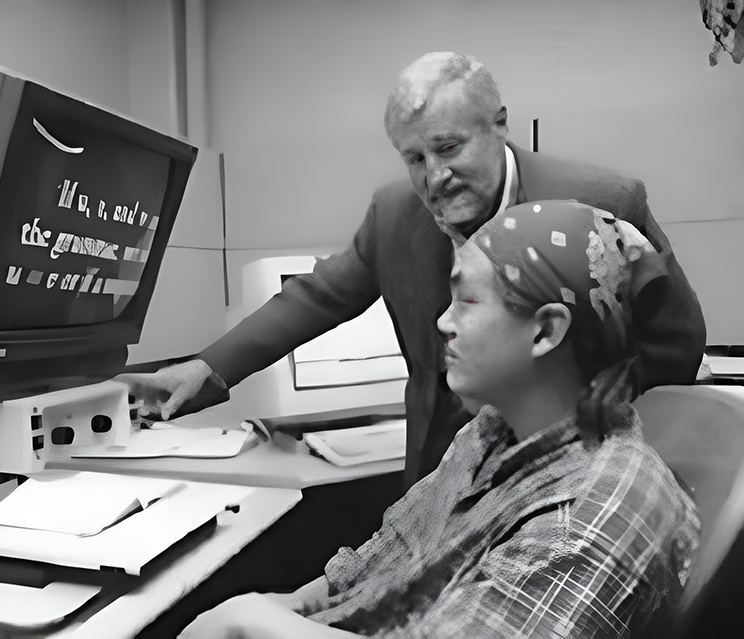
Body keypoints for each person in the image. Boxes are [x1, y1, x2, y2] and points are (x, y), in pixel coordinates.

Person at [118, 51, 706, 486]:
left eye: (449, 148)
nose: (433, 177)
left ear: (499, 124)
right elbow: (320, 295)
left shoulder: (598, 201)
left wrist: (594, 422)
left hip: (571, 465)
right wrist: (206, 368)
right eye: (414, 158)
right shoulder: (395, 213)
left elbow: (675, 343)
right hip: (438, 463)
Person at [177, 200, 701, 639]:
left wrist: (250, 624)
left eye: (467, 300)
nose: (442, 322)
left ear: (545, 331)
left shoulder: (589, 515)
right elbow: (384, 560)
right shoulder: (491, 431)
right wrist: (288, 607)